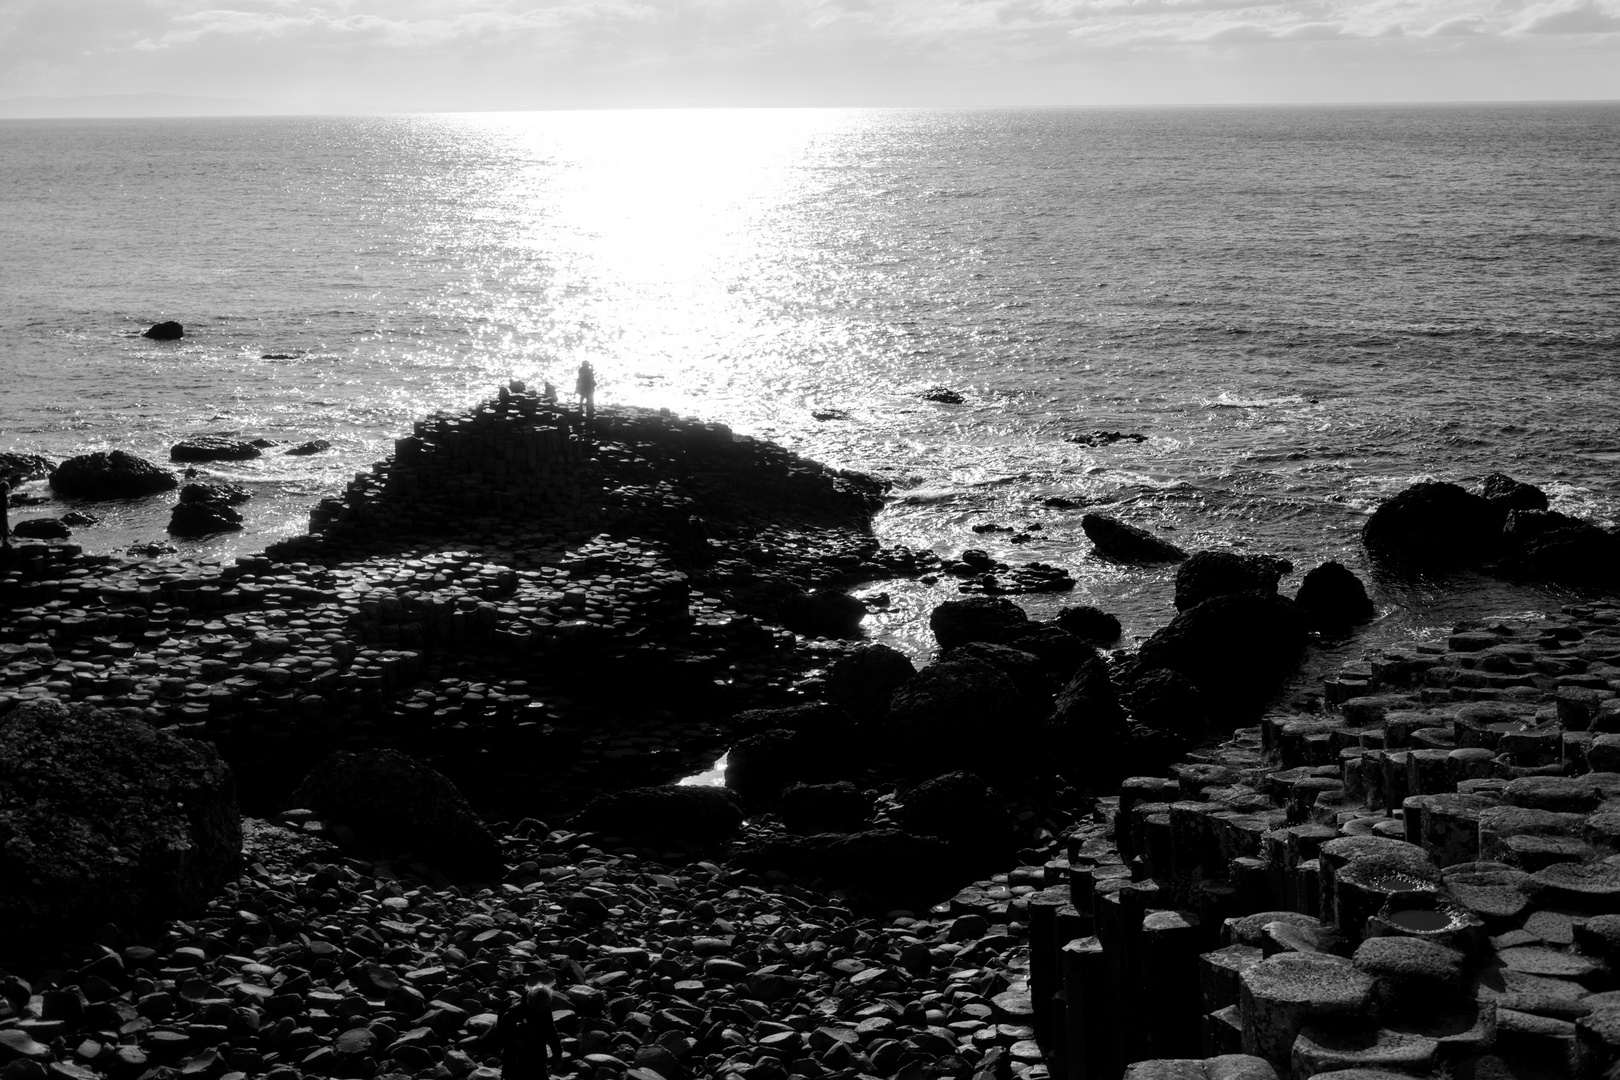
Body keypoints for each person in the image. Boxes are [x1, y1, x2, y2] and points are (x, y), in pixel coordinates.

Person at [485, 983, 564, 1080]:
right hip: (516, 1057)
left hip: (538, 1053)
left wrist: (557, 1053)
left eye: (547, 1006)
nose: (545, 1009)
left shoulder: (544, 1008)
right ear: (533, 1003)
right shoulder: (513, 1012)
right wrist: (516, 1041)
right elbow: (500, 1035)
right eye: (543, 1007)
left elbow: (550, 1030)